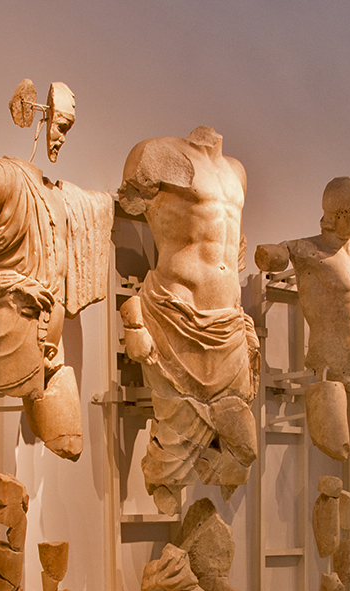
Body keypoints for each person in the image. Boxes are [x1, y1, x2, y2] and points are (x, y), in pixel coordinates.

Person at [0, 81, 111, 460]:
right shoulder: (2, 176)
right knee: (64, 443)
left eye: (68, 129)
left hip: (53, 345)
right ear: (39, 117)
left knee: (70, 445)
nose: (61, 138)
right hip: (13, 329)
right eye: (60, 126)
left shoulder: (59, 195)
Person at [117, 126, 259, 516]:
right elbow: (130, 199)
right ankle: (162, 475)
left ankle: (208, 468)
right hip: (177, 311)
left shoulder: (237, 171)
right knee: (174, 427)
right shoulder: (155, 153)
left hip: (228, 319)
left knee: (243, 445)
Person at [253, 177, 350, 460]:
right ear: (336, 212)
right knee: (337, 451)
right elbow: (273, 256)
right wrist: (270, 255)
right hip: (328, 369)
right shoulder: (306, 251)